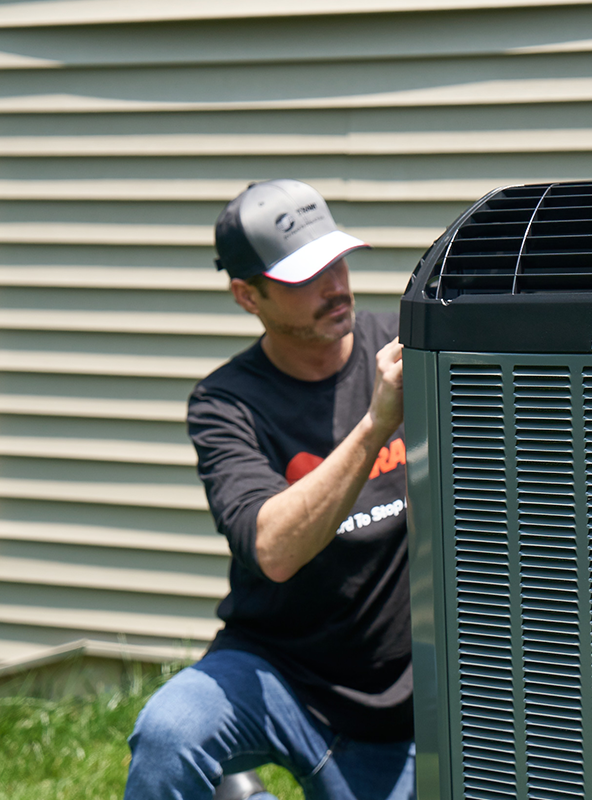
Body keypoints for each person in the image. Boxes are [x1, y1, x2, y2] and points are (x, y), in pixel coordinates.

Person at [124, 179, 414, 800]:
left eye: (336, 261)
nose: (335, 286)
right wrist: (376, 426)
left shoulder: (404, 354)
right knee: (168, 731)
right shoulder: (226, 403)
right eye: (304, 276)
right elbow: (275, 550)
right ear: (246, 295)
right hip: (278, 673)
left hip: (409, 697)